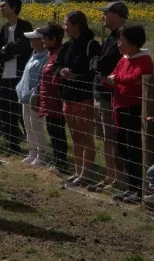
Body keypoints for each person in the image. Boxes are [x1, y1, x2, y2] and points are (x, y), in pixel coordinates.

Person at [103, 23, 154, 203]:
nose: (118, 43)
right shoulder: (124, 58)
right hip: (120, 108)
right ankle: (131, 187)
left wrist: (116, 80)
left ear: (132, 43)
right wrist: (110, 80)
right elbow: (113, 76)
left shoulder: (143, 59)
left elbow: (137, 78)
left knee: (134, 150)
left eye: (121, 40)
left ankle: (139, 190)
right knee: (124, 149)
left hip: (133, 110)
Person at [0, 0, 34, 154]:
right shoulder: (2, 30)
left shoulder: (25, 26)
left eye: (4, 6)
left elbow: (23, 47)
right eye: (0, 6)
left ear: (14, 8)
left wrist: (6, 50)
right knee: (6, 112)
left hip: (20, 76)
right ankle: (13, 145)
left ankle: (34, 148)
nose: (0, 8)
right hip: (3, 76)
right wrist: (8, 51)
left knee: (23, 112)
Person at [54, 10, 102, 187]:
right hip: (68, 95)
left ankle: (86, 174)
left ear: (77, 25)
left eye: (66, 24)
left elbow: (95, 72)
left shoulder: (92, 45)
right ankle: (77, 171)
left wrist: (76, 76)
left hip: (84, 96)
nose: (64, 27)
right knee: (74, 136)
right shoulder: (67, 46)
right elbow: (56, 64)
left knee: (86, 135)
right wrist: (61, 71)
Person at [89, 1, 128, 192]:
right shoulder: (111, 37)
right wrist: (96, 63)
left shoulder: (122, 37)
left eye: (107, 13)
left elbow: (102, 63)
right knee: (105, 137)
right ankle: (109, 175)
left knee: (112, 137)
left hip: (111, 95)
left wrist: (97, 63)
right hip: (101, 92)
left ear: (118, 15)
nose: (103, 16)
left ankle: (118, 177)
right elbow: (96, 63)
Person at [37, 23, 68, 173]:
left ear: (53, 39)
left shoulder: (59, 55)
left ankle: (61, 163)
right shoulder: (51, 54)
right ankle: (57, 160)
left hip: (56, 100)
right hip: (49, 100)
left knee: (58, 131)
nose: (42, 41)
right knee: (52, 130)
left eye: (45, 38)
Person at [17, 30, 49, 166]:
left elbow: (41, 79)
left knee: (36, 125)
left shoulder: (46, 57)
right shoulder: (34, 54)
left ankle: (41, 155)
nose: (30, 41)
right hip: (25, 96)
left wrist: (33, 93)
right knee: (28, 124)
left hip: (35, 98)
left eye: (33, 39)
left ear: (41, 40)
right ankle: (32, 152)